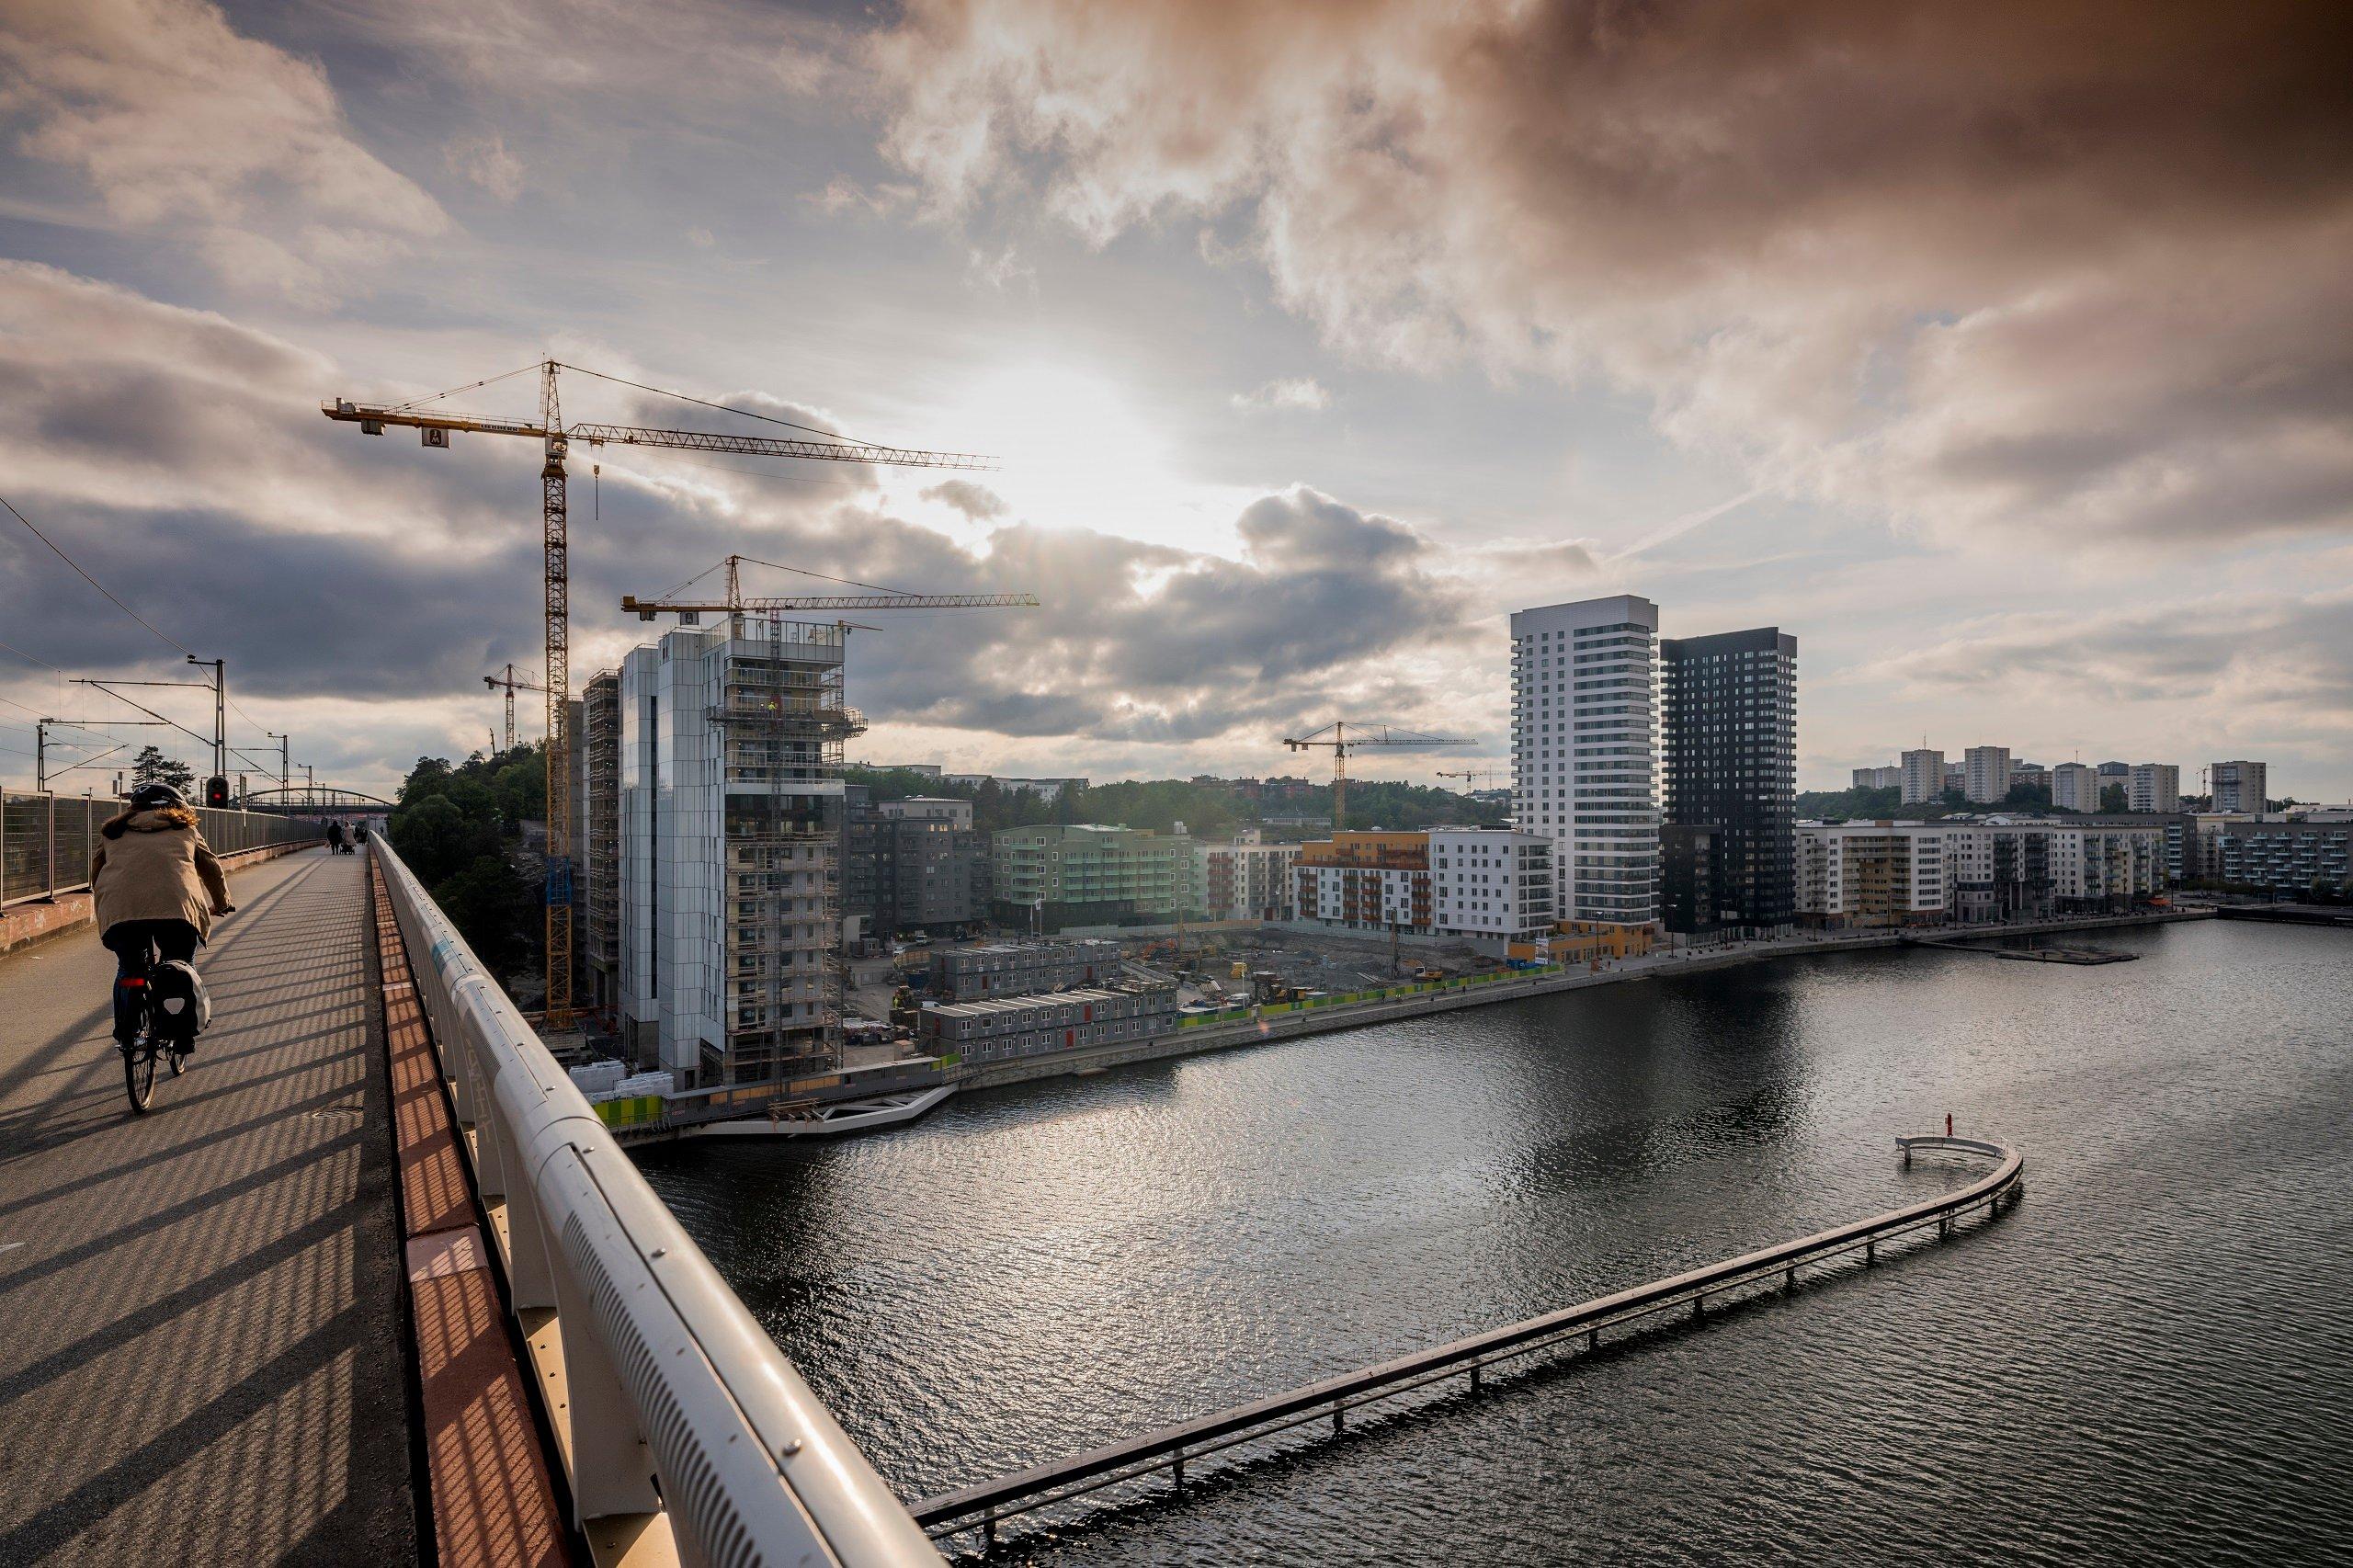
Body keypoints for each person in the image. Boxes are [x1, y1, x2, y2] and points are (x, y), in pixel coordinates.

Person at [89, 783, 234, 1051]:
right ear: (176, 807)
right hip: (177, 911)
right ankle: (182, 1034)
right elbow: (212, 869)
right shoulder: (186, 830)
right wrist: (222, 902)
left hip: (122, 911)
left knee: (128, 969)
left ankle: (126, 1031)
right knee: (180, 963)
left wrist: (110, 904)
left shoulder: (113, 832)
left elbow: (96, 873)